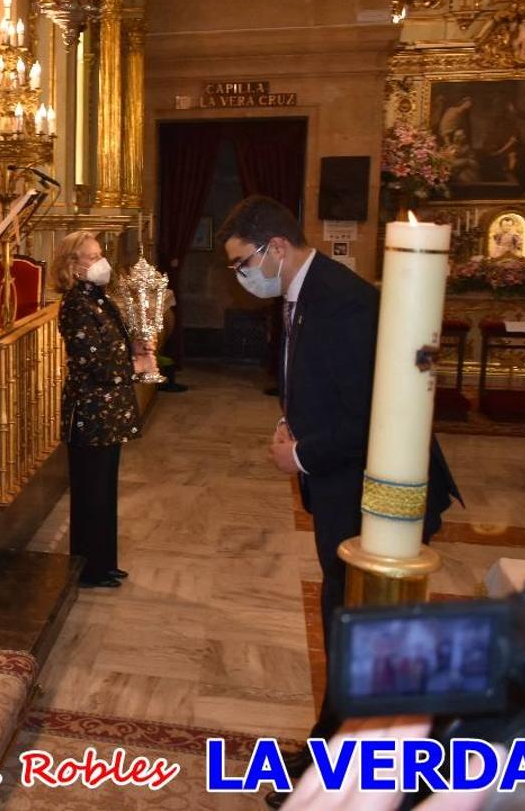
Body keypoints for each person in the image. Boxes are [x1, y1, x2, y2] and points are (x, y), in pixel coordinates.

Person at [216, 197, 461, 806]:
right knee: (343, 617)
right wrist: (292, 424)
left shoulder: (343, 301)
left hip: (372, 491)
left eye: (241, 262)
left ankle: (356, 765)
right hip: (343, 486)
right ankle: (335, 746)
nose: (240, 277)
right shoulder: (306, 292)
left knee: (358, 625)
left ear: (274, 246)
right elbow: (317, 382)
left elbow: (371, 416)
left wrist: (299, 456)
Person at [52, 231, 156, 589]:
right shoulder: (76, 304)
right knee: (89, 493)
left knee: (105, 490)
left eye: (100, 254)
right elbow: (93, 362)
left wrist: (136, 347)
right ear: (73, 266)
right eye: (92, 256)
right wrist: (134, 367)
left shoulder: (97, 297)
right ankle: (88, 569)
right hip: (90, 411)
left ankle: (105, 562)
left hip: (108, 411)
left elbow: (112, 345)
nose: (102, 262)